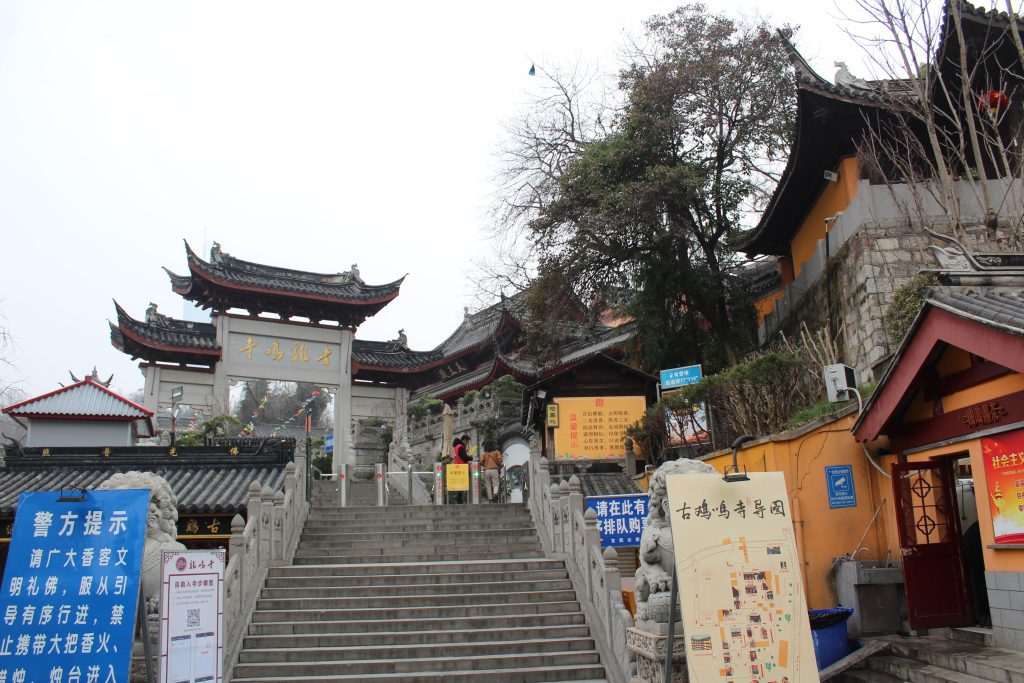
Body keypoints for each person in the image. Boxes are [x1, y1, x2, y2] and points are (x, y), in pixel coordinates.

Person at [451, 434, 471, 503]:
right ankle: (459, 500)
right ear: (464, 440)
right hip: (462, 467)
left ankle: (460, 500)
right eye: (467, 441)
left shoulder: (456, 447)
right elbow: (464, 457)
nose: (467, 443)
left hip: (458, 467)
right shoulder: (460, 447)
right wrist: (470, 457)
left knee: (460, 485)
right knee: (461, 485)